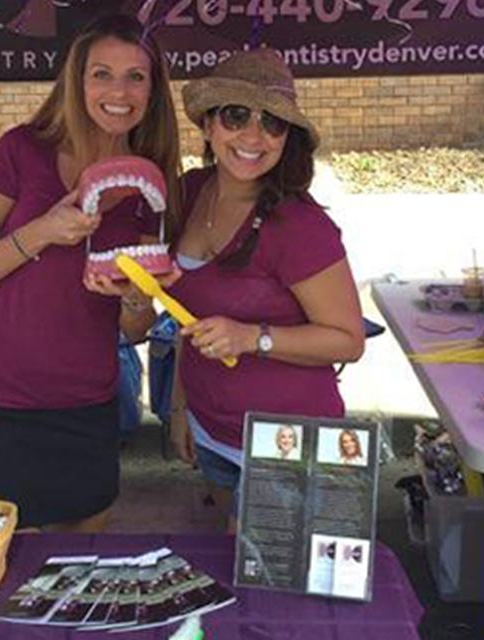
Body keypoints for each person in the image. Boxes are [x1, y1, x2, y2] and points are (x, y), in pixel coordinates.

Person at [0, 13, 182, 532]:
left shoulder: (150, 183)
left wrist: (137, 297)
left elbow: (132, 329)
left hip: (85, 406)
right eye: (101, 73)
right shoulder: (22, 149)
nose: (118, 91)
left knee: (78, 569)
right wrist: (44, 231)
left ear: (152, 90)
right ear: (77, 81)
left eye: (135, 77)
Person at [164, 48, 365, 531]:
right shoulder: (189, 193)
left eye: (272, 123)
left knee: (267, 590)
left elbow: (347, 340)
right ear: (209, 124)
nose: (254, 136)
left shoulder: (298, 224)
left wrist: (253, 336)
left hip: (288, 443)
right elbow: (186, 320)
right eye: (236, 116)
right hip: (212, 432)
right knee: (233, 565)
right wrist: (180, 408)